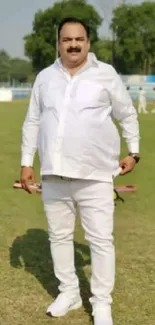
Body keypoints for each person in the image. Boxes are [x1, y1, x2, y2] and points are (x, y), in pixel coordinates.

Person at [20, 17, 140, 325]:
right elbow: (33, 121)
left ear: (88, 42)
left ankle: (102, 305)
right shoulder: (45, 77)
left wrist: (134, 151)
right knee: (59, 237)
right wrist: (26, 162)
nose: (73, 44)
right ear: (58, 43)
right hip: (54, 174)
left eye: (79, 39)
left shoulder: (105, 74)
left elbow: (126, 113)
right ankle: (69, 293)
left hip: (96, 174)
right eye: (66, 39)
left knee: (100, 241)